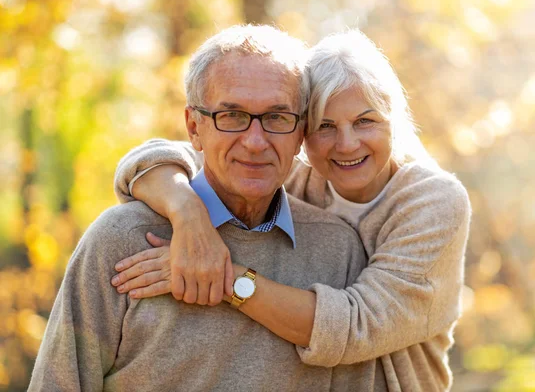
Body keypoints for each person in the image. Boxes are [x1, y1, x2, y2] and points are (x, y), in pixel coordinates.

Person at [29, 24, 385, 391]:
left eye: (277, 117)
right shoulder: (122, 240)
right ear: (194, 127)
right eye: (231, 116)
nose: (255, 141)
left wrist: (231, 280)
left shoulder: (338, 251)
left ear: (300, 132)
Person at [111, 29, 472, 391]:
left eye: (365, 121)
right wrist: (187, 215)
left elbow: (356, 327)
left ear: (394, 120)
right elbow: (153, 160)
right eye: (325, 126)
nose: (347, 144)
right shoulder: (296, 174)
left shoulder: (433, 201)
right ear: (301, 134)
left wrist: (220, 277)